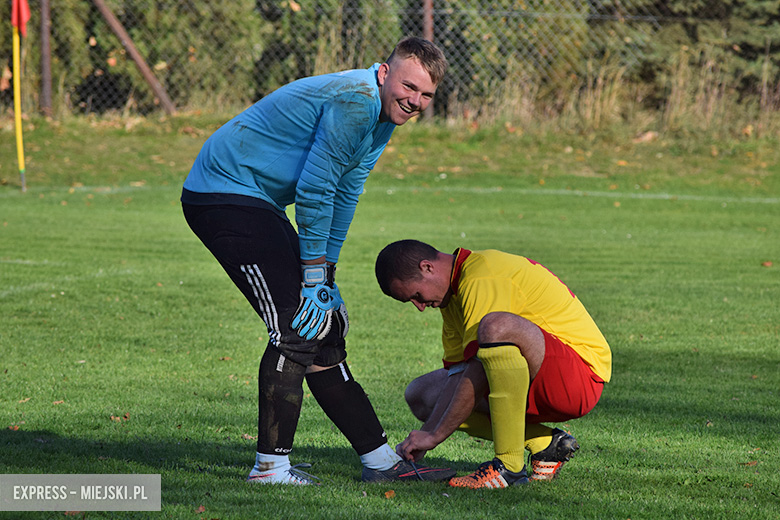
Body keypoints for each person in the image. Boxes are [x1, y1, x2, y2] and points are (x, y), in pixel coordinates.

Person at [181, 38, 454, 485]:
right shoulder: (356, 101)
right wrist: (311, 276)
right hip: (222, 194)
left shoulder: (384, 115)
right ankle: (270, 468)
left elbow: (347, 191)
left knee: (322, 329)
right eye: (409, 87)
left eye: (426, 95)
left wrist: (326, 274)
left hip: (256, 199)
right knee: (295, 328)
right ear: (384, 73)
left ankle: (380, 461)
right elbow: (314, 191)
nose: (415, 101)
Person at [375, 240, 611, 489]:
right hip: (535, 381)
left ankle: (509, 468)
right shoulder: (452, 296)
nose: (420, 307)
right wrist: (426, 435)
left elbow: (478, 371)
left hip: (579, 380)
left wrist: (436, 435)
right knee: (422, 394)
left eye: (416, 296)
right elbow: (458, 374)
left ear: (427, 267)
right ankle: (544, 443)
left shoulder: (480, 276)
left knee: (495, 327)